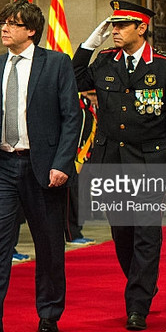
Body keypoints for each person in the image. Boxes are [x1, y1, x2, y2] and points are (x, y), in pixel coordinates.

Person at [0, 0, 81, 332]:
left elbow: (73, 118)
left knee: (49, 244)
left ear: (31, 30)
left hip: (43, 169)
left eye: (12, 23)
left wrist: (62, 163)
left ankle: (49, 313)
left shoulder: (56, 64)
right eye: (2, 22)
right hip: (2, 168)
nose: (4, 28)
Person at [73, 0, 166, 331]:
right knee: (122, 232)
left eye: (121, 26)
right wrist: (88, 45)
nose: (114, 31)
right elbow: (74, 77)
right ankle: (144, 282)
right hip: (111, 161)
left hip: (150, 162)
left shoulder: (165, 67)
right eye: (112, 25)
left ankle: (137, 303)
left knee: (146, 233)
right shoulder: (105, 62)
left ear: (141, 28)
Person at [65, 90, 97, 245]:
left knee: (81, 197)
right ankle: (72, 233)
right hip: (74, 159)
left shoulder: (89, 109)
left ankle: (77, 230)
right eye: (91, 94)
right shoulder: (79, 108)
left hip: (84, 159)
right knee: (72, 199)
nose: (94, 98)